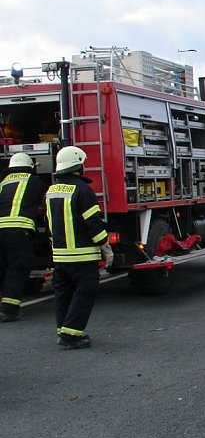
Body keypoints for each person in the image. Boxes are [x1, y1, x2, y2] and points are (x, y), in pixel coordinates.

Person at [46, 146, 112, 349]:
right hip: (82, 254)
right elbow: (93, 222)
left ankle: (63, 328)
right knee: (86, 290)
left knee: (63, 292)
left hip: (60, 254)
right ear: (78, 166)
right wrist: (105, 245)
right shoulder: (83, 190)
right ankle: (72, 334)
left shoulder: (51, 190)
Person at [0, 152, 48, 322]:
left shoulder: (3, 182)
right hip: (19, 232)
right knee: (16, 270)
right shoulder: (35, 181)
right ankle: (8, 310)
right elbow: (47, 203)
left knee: (3, 269)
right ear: (30, 167)